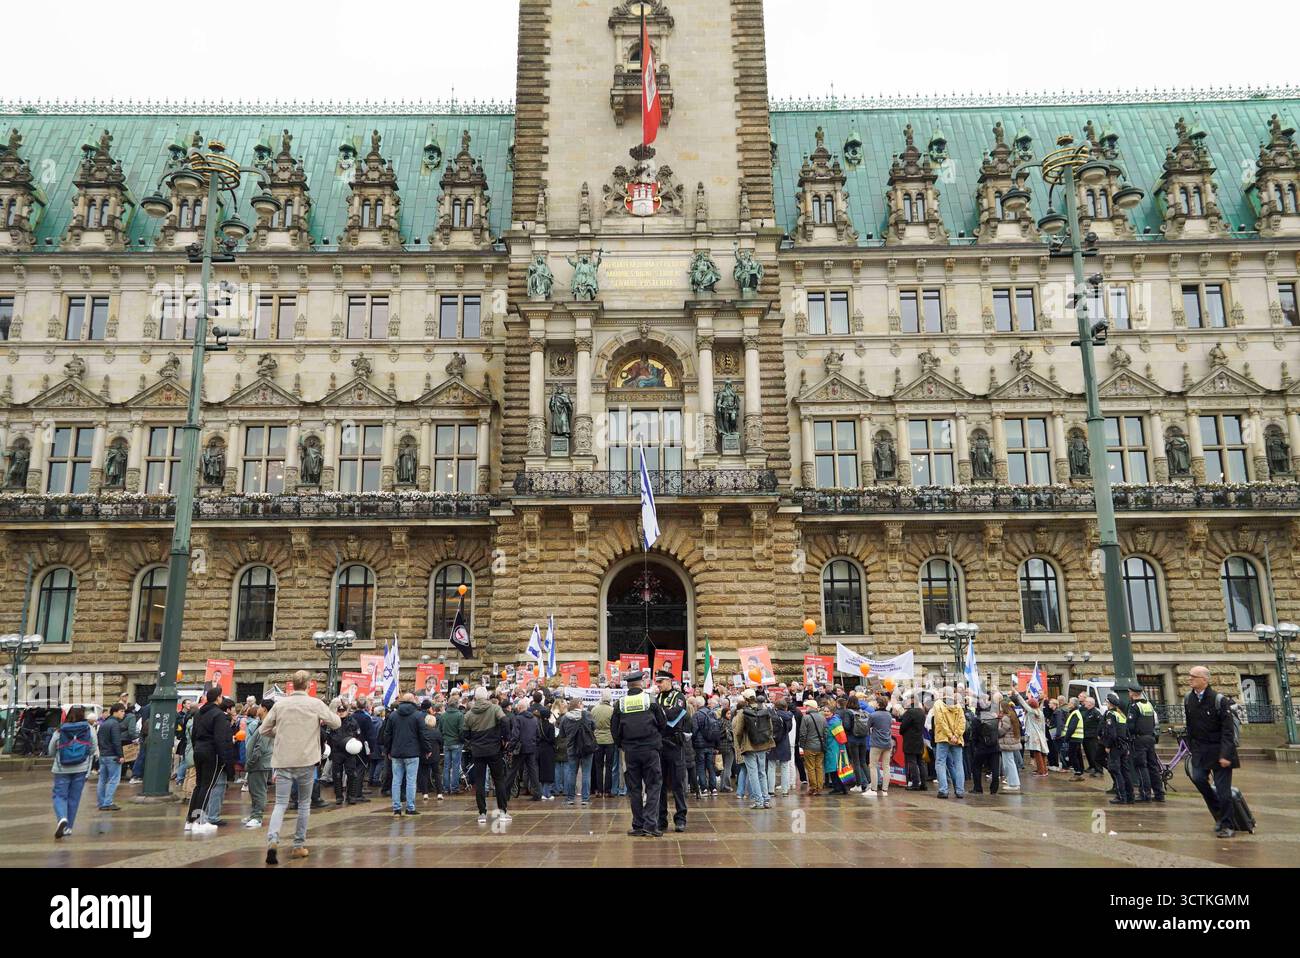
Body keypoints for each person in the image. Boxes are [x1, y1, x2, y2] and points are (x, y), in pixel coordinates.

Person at [258, 671, 341, 864]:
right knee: (304, 804)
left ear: (292, 685)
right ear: (308, 685)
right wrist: (334, 708)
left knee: (280, 804)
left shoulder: (280, 704)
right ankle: (298, 845)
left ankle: (272, 840)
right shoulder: (315, 704)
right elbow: (336, 723)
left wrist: (280, 733)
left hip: (283, 760)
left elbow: (263, 730)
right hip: (306, 761)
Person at [1184, 666, 1240, 837]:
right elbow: (1190, 726)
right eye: (1190, 676)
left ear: (1205, 680)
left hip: (1220, 751)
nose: (1190, 679)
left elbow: (1228, 730)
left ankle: (1227, 825)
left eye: (1194, 676)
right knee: (1199, 779)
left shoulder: (1218, 700)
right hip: (1200, 750)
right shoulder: (1188, 699)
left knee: (1223, 791)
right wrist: (1191, 747)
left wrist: (1225, 754)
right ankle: (1219, 815)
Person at [610, 671, 667, 836]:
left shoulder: (620, 704)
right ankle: (650, 825)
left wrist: (622, 745)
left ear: (628, 685)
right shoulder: (650, 700)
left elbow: (614, 730)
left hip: (630, 751)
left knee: (634, 788)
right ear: (641, 684)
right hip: (650, 749)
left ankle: (638, 825)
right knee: (654, 786)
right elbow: (662, 723)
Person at [185, 687, 236, 831]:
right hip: (211, 753)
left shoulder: (199, 713)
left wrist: (197, 748)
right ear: (218, 698)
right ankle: (200, 821)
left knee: (199, 785)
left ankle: (190, 820)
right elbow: (221, 739)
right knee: (207, 786)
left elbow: (194, 734)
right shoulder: (218, 715)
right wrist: (225, 758)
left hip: (199, 750)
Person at [463, 685, 511, 825]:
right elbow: (505, 721)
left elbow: (465, 734)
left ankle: (482, 813)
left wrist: (472, 743)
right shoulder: (495, 708)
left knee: (479, 782)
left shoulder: (469, 714)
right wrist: (505, 739)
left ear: (475, 698)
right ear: (487, 697)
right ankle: (502, 812)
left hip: (478, 751)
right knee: (498, 780)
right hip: (494, 749)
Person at [50, 706, 98, 839]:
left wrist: (59, 754)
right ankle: (68, 827)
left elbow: (51, 750)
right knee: (74, 798)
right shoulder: (89, 728)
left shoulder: (60, 729)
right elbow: (93, 748)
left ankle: (62, 818)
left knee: (59, 795)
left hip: (61, 768)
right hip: (81, 768)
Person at [655, 669, 689, 832]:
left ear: (669, 681)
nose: (658, 685)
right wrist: (663, 714)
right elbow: (656, 716)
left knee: (677, 783)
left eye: (660, 682)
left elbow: (675, 716)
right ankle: (662, 820)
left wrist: (661, 714)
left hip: (674, 745)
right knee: (659, 784)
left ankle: (680, 818)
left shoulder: (679, 697)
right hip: (660, 745)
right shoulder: (658, 697)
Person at [733, 687, 774, 809]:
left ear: (745, 699)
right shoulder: (765, 709)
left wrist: (740, 744)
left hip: (749, 746)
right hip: (763, 745)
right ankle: (766, 799)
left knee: (753, 774)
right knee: (762, 772)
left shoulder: (742, 712)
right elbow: (770, 727)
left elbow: (738, 731)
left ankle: (758, 801)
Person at [1127, 685, 1165, 803]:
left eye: (1129, 692)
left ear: (1132, 693)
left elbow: (1131, 726)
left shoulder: (1134, 706)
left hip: (1139, 740)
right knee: (1153, 767)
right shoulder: (1148, 705)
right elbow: (1154, 722)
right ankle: (1159, 794)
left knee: (1141, 766)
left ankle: (1145, 794)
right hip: (1150, 738)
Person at [559, 694, 595, 806]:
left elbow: (562, 734)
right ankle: (585, 799)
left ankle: (570, 798)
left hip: (571, 748)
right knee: (586, 773)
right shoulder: (587, 715)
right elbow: (594, 727)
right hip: (586, 747)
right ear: (579, 704)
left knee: (571, 773)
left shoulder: (565, 717)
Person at [327, 699, 364, 806]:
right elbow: (329, 736)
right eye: (339, 710)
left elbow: (358, 735)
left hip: (350, 752)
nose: (341, 712)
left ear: (347, 711)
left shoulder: (352, 721)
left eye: (343, 710)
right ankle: (339, 796)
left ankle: (351, 796)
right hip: (337, 751)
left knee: (352, 774)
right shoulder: (333, 722)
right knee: (337, 775)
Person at [1100, 691, 1134, 804]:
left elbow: (1111, 733)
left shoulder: (1110, 714)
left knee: (1116, 771)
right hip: (1124, 745)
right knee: (1125, 771)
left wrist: (1108, 745)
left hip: (1116, 746)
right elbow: (1127, 732)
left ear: (1109, 703)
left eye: (1106, 702)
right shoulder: (1121, 714)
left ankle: (1121, 796)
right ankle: (1130, 796)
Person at [242, 701, 272, 828]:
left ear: (264, 709)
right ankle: (254, 814)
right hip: (258, 763)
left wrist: (251, 762)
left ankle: (257, 816)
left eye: (259, 706)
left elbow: (260, 748)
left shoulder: (266, 725)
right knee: (255, 791)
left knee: (258, 791)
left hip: (259, 764)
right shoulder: (263, 723)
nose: (257, 708)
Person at [931, 689, 966, 799]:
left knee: (940, 763)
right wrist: (956, 735)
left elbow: (940, 722)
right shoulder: (958, 706)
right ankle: (960, 790)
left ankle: (943, 790)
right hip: (957, 739)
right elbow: (962, 722)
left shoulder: (938, 704)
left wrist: (950, 735)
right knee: (958, 764)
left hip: (943, 738)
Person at [95, 702, 129, 810]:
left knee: (102, 780)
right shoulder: (114, 724)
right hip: (113, 755)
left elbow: (99, 739)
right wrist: (120, 755)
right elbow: (116, 741)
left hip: (104, 755)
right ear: (115, 712)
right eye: (122, 711)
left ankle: (101, 802)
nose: (123, 713)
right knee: (114, 780)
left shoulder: (104, 723)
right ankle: (107, 802)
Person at [507, 698, 542, 800]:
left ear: (519, 708)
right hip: (531, 748)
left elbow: (515, 735)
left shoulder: (518, 719)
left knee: (512, 771)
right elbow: (538, 735)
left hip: (520, 749)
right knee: (533, 771)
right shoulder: (534, 719)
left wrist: (510, 748)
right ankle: (537, 794)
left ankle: (505, 793)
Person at [970, 694, 1000, 794]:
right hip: (995, 746)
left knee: (976, 766)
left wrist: (975, 747)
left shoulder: (976, 719)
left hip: (981, 747)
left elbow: (974, 735)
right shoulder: (994, 716)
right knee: (995, 768)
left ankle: (978, 788)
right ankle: (994, 788)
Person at [591, 689, 619, 796]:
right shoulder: (612, 710)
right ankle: (608, 790)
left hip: (597, 739)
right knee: (609, 766)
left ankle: (598, 790)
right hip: (610, 740)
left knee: (598, 766)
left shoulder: (594, 710)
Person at [865, 694, 894, 795]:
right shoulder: (889, 715)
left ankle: (873, 789)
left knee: (873, 765)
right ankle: (885, 790)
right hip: (887, 743)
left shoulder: (873, 715)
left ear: (878, 704)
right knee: (886, 766)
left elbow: (867, 727)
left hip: (876, 743)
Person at [798, 698, 827, 795]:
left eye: (807, 706)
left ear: (811, 707)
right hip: (820, 746)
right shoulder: (822, 717)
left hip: (809, 746)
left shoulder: (806, 718)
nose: (805, 707)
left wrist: (802, 745)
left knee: (810, 767)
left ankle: (813, 787)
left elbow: (802, 733)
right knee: (819, 767)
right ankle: (819, 787)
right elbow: (826, 732)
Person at [899, 696, 926, 791]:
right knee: (920, 762)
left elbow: (903, 727)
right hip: (919, 739)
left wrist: (901, 731)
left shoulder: (910, 712)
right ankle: (924, 783)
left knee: (912, 762)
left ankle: (915, 783)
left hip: (910, 740)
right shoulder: (922, 712)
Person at [770, 696, 796, 795]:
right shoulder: (790, 716)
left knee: (771, 766)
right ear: (785, 707)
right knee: (785, 767)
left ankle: (771, 790)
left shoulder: (772, 715)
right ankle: (785, 790)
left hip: (773, 742)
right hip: (784, 742)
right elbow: (789, 729)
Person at [997, 698, 1022, 793]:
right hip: (1010, 742)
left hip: (1006, 743)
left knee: (1009, 764)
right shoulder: (1012, 715)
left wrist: (997, 729)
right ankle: (1013, 783)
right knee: (1010, 763)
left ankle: (1014, 784)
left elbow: (1002, 731)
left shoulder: (1006, 718)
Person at [1062, 697, 1086, 779]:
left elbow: (1071, 728)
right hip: (1076, 738)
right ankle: (1080, 770)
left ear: (1073, 704)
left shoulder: (1075, 713)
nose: (1068, 704)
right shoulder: (1075, 712)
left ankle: (1078, 772)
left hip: (1074, 738)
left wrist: (1066, 738)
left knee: (1073, 755)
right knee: (1078, 755)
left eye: (1070, 702)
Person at [1081, 696, 1104, 777]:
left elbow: (1101, 723)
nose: (1084, 703)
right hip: (1086, 736)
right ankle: (1092, 766)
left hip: (1093, 737)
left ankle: (1099, 770)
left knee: (1094, 753)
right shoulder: (1086, 711)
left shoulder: (1096, 712)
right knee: (1088, 753)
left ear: (1090, 703)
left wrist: (1098, 734)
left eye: (1086, 701)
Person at [718, 700, 736, 791]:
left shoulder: (719, 721)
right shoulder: (728, 723)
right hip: (729, 747)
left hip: (721, 747)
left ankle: (722, 786)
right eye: (728, 714)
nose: (730, 715)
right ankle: (726, 786)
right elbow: (731, 736)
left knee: (723, 767)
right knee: (727, 767)